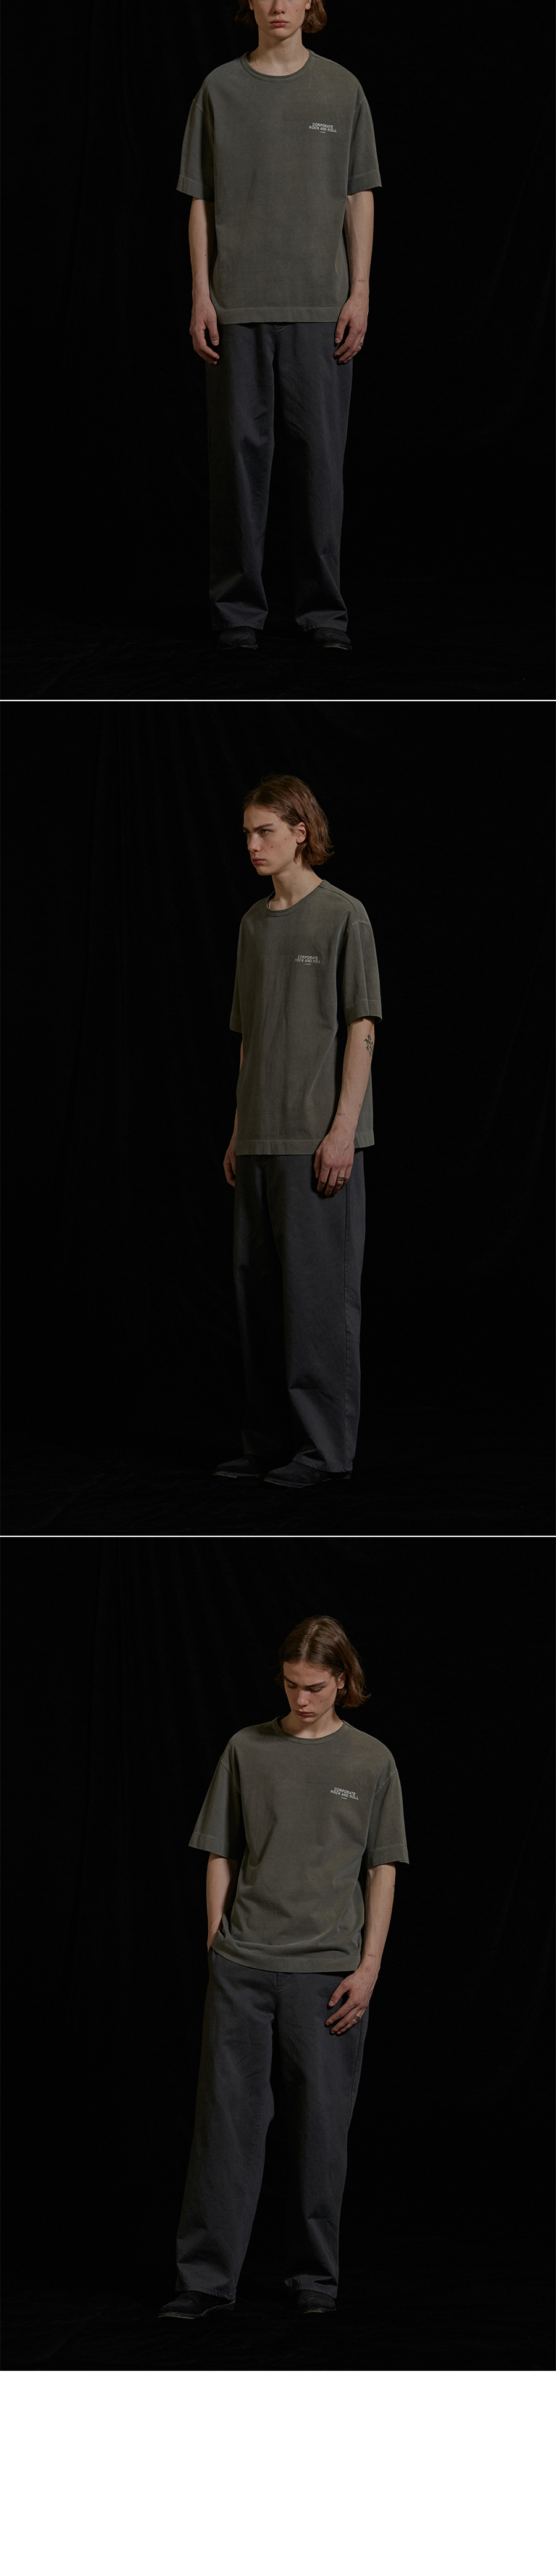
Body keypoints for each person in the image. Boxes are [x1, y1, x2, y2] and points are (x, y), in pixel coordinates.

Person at [161, 1614, 408, 2325]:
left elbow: (383, 1869)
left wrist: (370, 1967)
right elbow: (221, 1850)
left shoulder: (371, 1761)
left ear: (343, 1681)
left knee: (321, 2131)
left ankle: (314, 2281)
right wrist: (217, 1941)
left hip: (328, 1973)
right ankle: (206, 2280)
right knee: (225, 2126)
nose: (301, 1700)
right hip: (244, 1966)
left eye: (315, 1688)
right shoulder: (247, 1748)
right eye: (292, 1686)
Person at [177, 0, 381, 653]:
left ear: (310, 1)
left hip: (321, 307)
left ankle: (324, 617)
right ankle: (238, 618)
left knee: (321, 470)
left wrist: (359, 291)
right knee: (238, 469)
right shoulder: (219, 90)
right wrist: (202, 295)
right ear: (250, 2)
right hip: (237, 306)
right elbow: (200, 200)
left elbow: (359, 195)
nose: (279, 6)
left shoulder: (342, 89)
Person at [216, 771, 381, 1488]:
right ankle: (266, 1442)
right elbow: (248, 1037)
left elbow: (362, 1028)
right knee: (257, 1302)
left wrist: (343, 1130)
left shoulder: (344, 915)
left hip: (316, 1141)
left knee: (317, 1303)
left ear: (300, 833)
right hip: (258, 1139)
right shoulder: (253, 924)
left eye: (265, 831)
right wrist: (238, 1128)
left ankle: (323, 1452)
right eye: (248, 833)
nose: (253, 845)